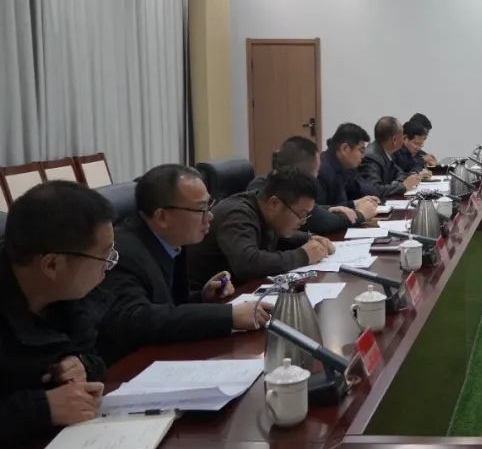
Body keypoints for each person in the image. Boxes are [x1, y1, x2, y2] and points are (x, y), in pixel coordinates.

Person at [95, 165, 273, 364]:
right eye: (200, 209)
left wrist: (202, 297)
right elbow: (137, 320)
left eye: (209, 205)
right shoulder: (124, 254)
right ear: (162, 217)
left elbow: (166, 304)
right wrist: (229, 316)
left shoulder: (171, 241)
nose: (210, 216)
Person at [0, 182, 112, 446]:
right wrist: (41, 409)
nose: (108, 267)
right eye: (104, 257)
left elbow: (93, 354)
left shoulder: (65, 295)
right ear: (52, 264)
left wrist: (81, 365)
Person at [186, 167, 333, 286]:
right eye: (301, 214)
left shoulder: (265, 210)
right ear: (275, 203)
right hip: (208, 299)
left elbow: (281, 236)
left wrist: (310, 238)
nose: (303, 222)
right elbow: (247, 264)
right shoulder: (237, 215)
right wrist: (303, 255)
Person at [254, 136, 377, 235]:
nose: (318, 175)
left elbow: (314, 210)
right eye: (317, 171)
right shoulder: (266, 190)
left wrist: (332, 208)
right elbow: (318, 220)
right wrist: (361, 214)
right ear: (304, 176)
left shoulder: (268, 181)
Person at [318, 123, 383, 210]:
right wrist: (355, 204)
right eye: (361, 150)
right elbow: (320, 212)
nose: (363, 156)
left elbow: (368, 190)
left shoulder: (345, 166)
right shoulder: (322, 171)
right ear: (345, 149)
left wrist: (358, 202)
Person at [360, 116, 422, 198]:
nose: (404, 140)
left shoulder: (387, 151)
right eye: (402, 136)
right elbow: (375, 190)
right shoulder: (371, 157)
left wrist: (407, 179)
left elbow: (400, 173)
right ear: (394, 140)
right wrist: (403, 186)